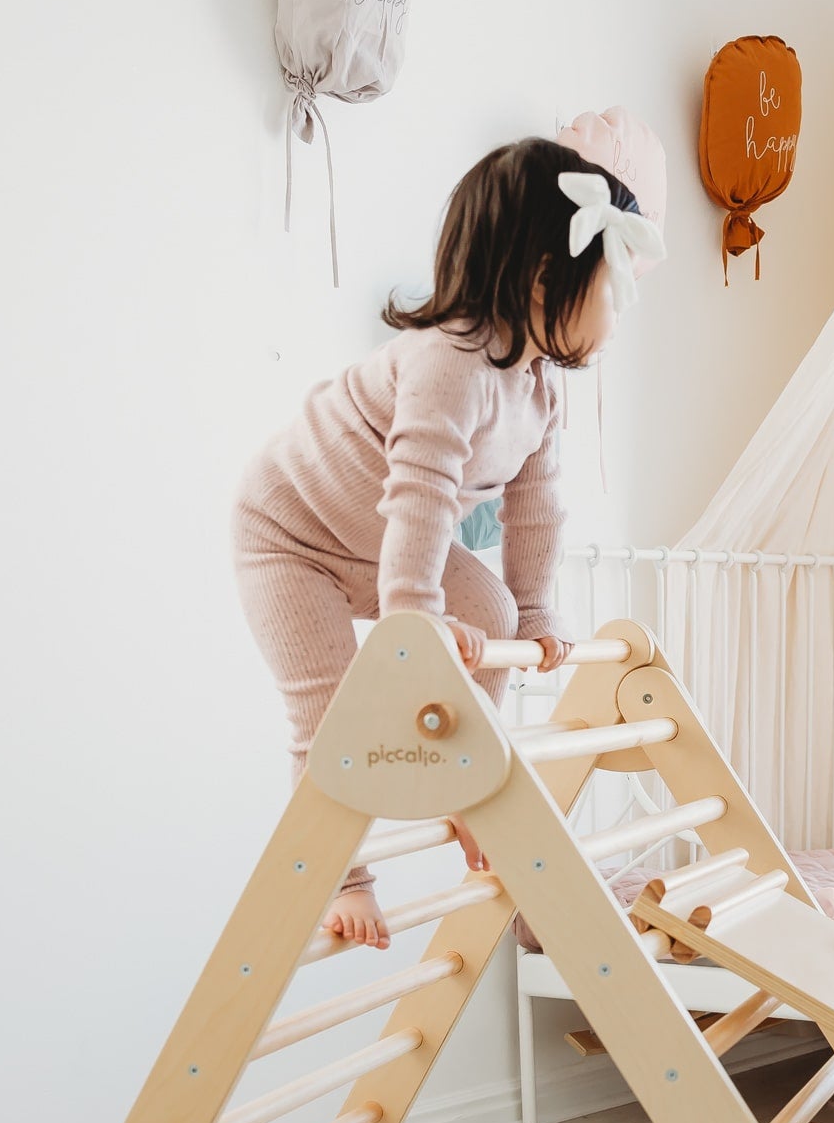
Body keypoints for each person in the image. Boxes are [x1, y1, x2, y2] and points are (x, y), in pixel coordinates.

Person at [234, 136, 661, 946]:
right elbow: (422, 493)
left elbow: (538, 507)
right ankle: (344, 875)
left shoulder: (536, 387)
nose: (617, 314)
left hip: (378, 540)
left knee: (493, 612)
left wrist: (535, 608)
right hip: (289, 535)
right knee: (326, 715)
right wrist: (414, 616)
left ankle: (464, 777)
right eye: (611, 289)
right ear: (544, 279)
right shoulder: (450, 362)